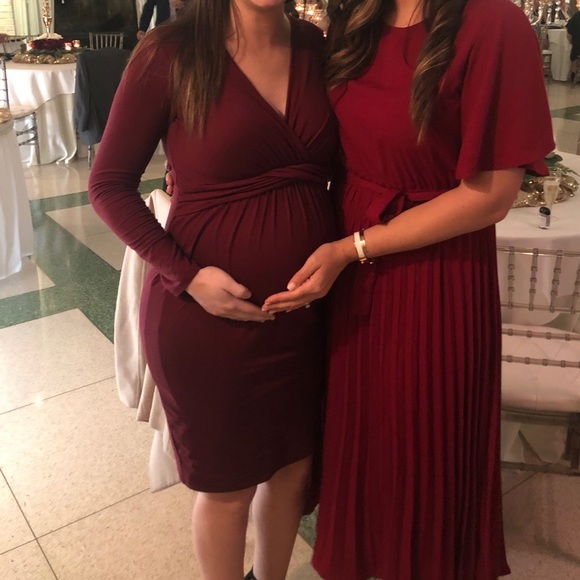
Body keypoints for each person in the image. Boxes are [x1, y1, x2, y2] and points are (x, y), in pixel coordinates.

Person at [263, 0, 555, 578]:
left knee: (423, 450)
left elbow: (491, 195)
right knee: (363, 444)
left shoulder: (493, 23)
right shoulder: (356, 20)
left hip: (435, 274)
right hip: (351, 273)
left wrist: (354, 248)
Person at [88, 1, 338, 579]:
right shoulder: (171, 52)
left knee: (293, 470)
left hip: (305, 317)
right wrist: (188, 276)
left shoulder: (315, 47)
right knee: (228, 487)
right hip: (206, 323)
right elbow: (108, 184)